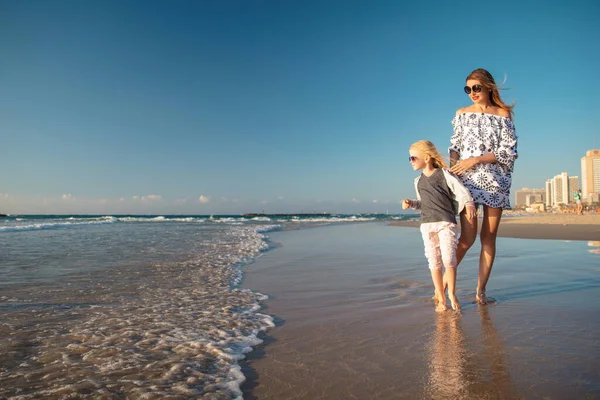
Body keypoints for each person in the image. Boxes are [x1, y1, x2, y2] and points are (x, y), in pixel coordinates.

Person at [448, 68, 518, 305]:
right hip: (466, 181)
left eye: (476, 88)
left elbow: (509, 152)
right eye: (468, 89)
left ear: (488, 86)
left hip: (495, 182)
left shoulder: (503, 115)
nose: (472, 93)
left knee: (489, 237)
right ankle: (443, 288)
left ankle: (480, 292)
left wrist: (476, 159)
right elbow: (455, 146)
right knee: (466, 239)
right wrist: (452, 172)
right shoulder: (461, 113)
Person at [402, 140, 476, 312]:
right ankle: (441, 298)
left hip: (445, 222)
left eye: (413, 158)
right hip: (427, 225)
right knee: (434, 262)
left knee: (449, 260)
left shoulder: (444, 174)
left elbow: (461, 190)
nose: (410, 162)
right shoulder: (417, 181)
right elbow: (423, 203)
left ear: (426, 158)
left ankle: (451, 294)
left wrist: (469, 203)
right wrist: (411, 203)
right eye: (409, 159)